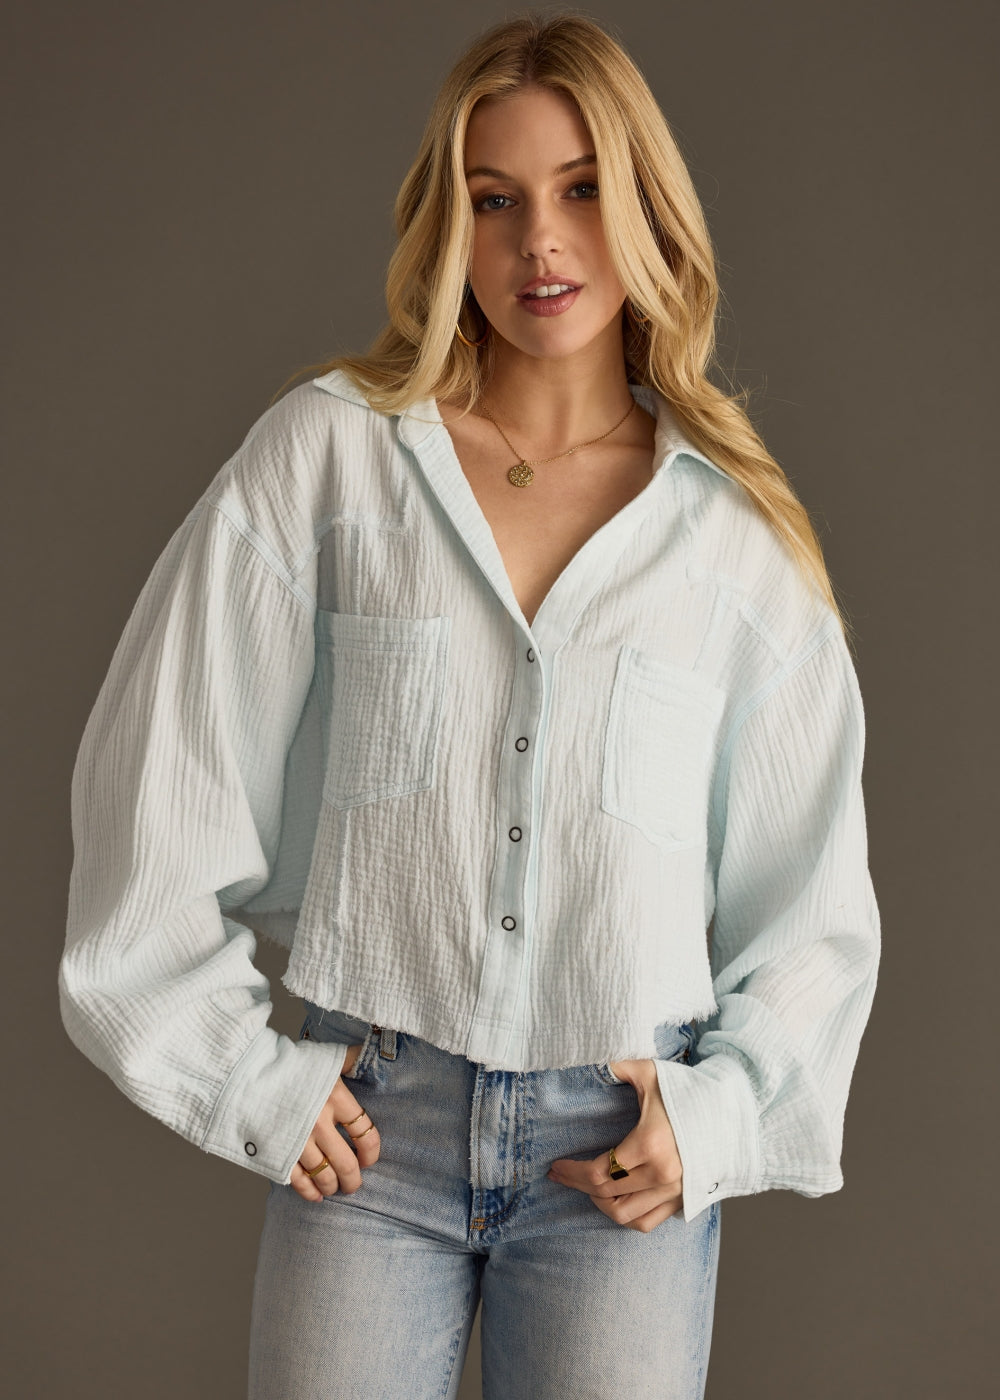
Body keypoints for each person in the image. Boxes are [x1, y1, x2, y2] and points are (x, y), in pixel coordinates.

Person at [59, 12, 880, 1399]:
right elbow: (161, 781)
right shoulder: (332, 461)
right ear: (449, 226)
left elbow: (814, 900)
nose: (539, 243)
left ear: (645, 208)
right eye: (494, 200)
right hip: (373, 1136)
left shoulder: (732, 541)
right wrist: (247, 1079)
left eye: (581, 190)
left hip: (616, 1155)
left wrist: (720, 1119)